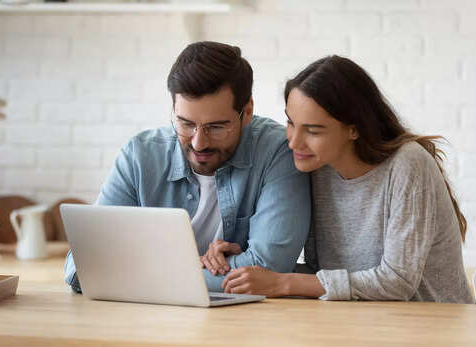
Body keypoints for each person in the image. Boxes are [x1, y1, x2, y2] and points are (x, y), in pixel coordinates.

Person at [222, 55, 473, 303]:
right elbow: (324, 278)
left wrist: (283, 282)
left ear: (354, 128)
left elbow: (397, 282)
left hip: (431, 326)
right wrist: (246, 264)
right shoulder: (317, 167)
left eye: (312, 130)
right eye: (290, 122)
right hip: (358, 322)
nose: (294, 141)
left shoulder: (408, 164)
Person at [64, 41, 311, 293]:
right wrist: (194, 267)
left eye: (216, 127)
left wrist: (139, 272)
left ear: (247, 111)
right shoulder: (139, 156)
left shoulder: (277, 152)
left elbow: (269, 268)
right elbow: (83, 266)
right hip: (147, 319)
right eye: (185, 123)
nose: (199, 143)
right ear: (173, 109)